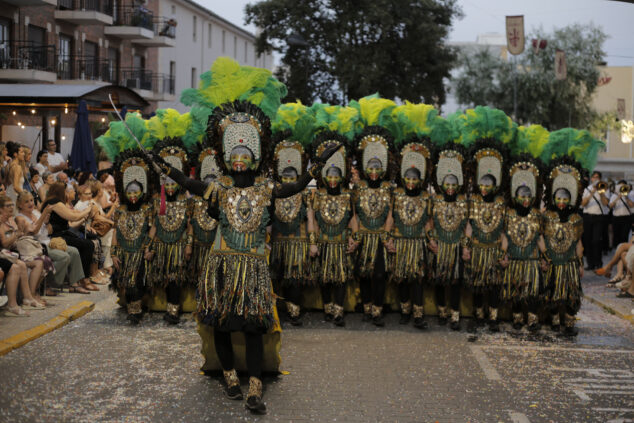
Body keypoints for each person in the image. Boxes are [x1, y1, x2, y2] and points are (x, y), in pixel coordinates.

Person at [146, 57, 339, 414]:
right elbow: (190, 182)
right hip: (221, 266)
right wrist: (164, 169)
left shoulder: (266, 188)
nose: (238, 159)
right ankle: (230, 376)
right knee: (220, 322)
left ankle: (254, 388)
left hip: (252, 269)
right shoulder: (217, 188)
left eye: (244, 152)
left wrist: (317, 164)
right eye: (233, 153)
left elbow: (295, 186)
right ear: (224, 154)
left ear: (255, 155)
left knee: (253, 328)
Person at [542, 128, 603, 336]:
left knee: (570, 294)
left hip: (569, 263)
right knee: (551, 291)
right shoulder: (548, 216)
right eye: (558, 198)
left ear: (571, 198)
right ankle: (554, 321)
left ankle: (568, 321)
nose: (561, 202)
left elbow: (578, 243)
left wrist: (579, 264)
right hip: (552, 262)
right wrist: (544, 257)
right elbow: (542, 237)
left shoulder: (576, 218)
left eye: (565, 199)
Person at [350, 96, 396, 326]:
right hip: (363, 236)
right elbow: (354, 214)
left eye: (378, 167)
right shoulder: (358, 188)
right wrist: (356, 235)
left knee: (379, 274)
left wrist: (387, 236)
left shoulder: (389, 188)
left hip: (380, 238)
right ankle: (367, 307)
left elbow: (390, 214)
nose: (375, 171)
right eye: (371, 167)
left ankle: (377, 309)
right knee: (364, 273)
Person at [269, 102, 315, 326]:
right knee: (277, 277)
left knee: (294, 278)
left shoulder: (304, 194)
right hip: (277, 242)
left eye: (292, 178)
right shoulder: (272, 192)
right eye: (284, 178)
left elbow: (311, 220)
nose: (288, 182)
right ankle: (278, 311)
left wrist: (312, 243)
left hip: (297, 242)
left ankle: (295, 312)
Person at [389, 111, 434, 329]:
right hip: (400, 240)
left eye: (414, 178)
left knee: (417, 279)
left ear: (421, 179)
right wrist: (389, 238)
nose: (410, 181)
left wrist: (431, 239)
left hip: (417, 243)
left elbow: (428, 221)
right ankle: (405, 311)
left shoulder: (426, 197)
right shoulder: (396, 193)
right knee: (402, 279)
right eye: (407, 177)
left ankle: (418, 315)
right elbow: (391, 217)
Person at [427, 117, 469, 331]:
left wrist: (466, 246)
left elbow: (467, 225)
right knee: (440, 280)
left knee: (456, 282)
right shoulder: (435, 200)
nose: (450, 187)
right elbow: (430, 222)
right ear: (441, 182)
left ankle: (455, 315)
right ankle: (442, 312)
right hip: (440, 245)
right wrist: (431, 240)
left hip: (456, 247)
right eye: (447, 183)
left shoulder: (463, 201)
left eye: (454, 183)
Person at [145, 138, 192, 325]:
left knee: (175, 278)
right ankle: (165, 307)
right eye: (168, 185)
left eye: (174, 184)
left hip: (179, 247)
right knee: (163, 277)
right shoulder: (157, 201)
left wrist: (189, 246)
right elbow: (154, 226)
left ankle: (174, 309)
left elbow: (189, 225)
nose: (171, 188)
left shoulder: (186, 201)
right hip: (161, 247)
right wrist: (148, 247)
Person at [110, 148, 154, 324]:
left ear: (142, 193)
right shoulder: (120, 211)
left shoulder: (147, 209)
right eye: (130, 192)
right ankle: (133, 309)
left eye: (136, 192)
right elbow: (115, 231)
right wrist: (113, 253)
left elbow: (153, 228)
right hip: (123, 253)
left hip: (139, 253)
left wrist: (148, 247)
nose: (133, 196)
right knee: (126, 283)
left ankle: (135, 312)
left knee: (136, 282)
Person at [15, 191, 86, 295]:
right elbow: (34, 231)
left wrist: (46, 221)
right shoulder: (20, 217)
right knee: (64, 257)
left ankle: (74, 284)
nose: (31, 203)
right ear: (20, 205)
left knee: (74, 251)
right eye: (26, 202)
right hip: (37, 245)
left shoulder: (35, 212)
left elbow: (46, 228)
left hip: (48, 240)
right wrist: (44, 215)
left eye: (31, 200)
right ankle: (50, 284)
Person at [42, 182, 98, 293]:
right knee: (87, 245)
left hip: (62, 233)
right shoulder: (54, 202)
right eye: (66, 191)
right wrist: (87, 210)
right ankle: (83, 279)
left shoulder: (57, 202)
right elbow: (72, 217)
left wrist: (87, 211)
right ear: (61, 192)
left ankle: (80, 280)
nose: (68, 193)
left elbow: (76, 213)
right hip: (56, 237)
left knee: (88, 244)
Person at [0, 195, 50, 308]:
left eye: (12, 205)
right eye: (8, 206)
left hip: (15, 252)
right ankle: (20, 301)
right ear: (1, 208)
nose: (11, 208)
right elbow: (5, 244)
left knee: (41, 261)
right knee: (25, 264)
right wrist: (17, 234)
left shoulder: (12, 220)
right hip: (10, 253)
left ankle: (29, 297)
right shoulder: (15, 219)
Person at [581, 170, 609, 270]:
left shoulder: (604, 188)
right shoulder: (587, 189)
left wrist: (601, 193)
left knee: (596, 240)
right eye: (594, 177)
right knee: (588, 240)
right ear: (591, 178)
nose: (595, 179)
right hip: (587, 216)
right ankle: (590, 263)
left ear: (600, 179)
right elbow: (583, 204)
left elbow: (606, 203)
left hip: (599, 217)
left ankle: (598, 262)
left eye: (597, 177)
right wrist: (592, 192)